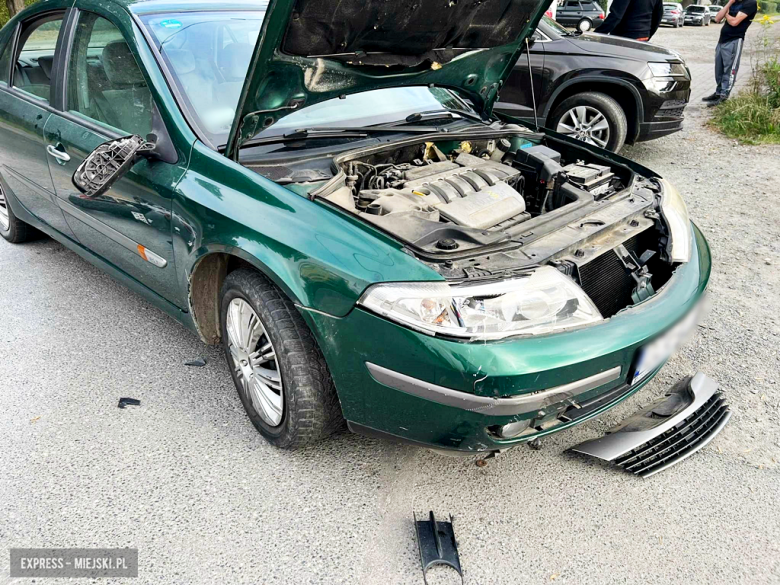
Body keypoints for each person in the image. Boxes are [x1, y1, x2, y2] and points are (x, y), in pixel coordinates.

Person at [703, 0, 758, 106]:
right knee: (719, 69)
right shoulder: (733, 2)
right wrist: (729, 3)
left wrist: (727, 14)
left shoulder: (750, 3)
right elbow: (717, 18)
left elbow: (734, 22)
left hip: (734, 41)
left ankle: (723, 96)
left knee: (729, 70)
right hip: (722, 40)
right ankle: (718, 93)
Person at [595, 0, 663, 41]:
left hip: (625, 39)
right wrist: (647, 34)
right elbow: (658, 17)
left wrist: (597, 34)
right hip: (643, 37)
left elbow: (616, 16)